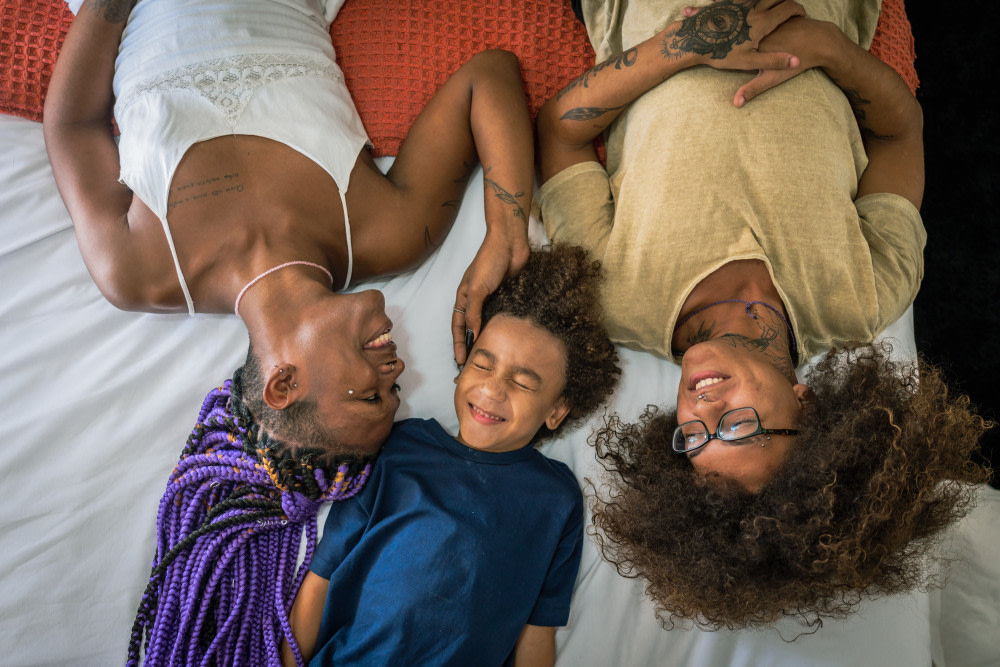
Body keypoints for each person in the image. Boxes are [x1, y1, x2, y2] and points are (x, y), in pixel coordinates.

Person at [535, 0, 992, 628]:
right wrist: (827, 48)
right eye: (740, 429)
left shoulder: (614, 298)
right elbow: (900, 130)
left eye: (693, 439)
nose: (702, 409)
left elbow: (559, 128)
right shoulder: (864, 296)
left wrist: (689, 42)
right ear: (809, 407)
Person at [44, 0, 534, 457]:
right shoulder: (388, 234)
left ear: (284, 383)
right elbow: (489, 75)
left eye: (370, 395)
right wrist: (504, 233)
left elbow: (74, 126)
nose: (396, 370)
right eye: (396, 390)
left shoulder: (139, 272)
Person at [281, 245, 621, 666]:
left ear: (556, 410)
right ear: (461, 369)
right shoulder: (398, 448)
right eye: (483, 364)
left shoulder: (556, 498)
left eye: (523, 381)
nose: (493, 390)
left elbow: (538, 631)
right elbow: (321, 576)